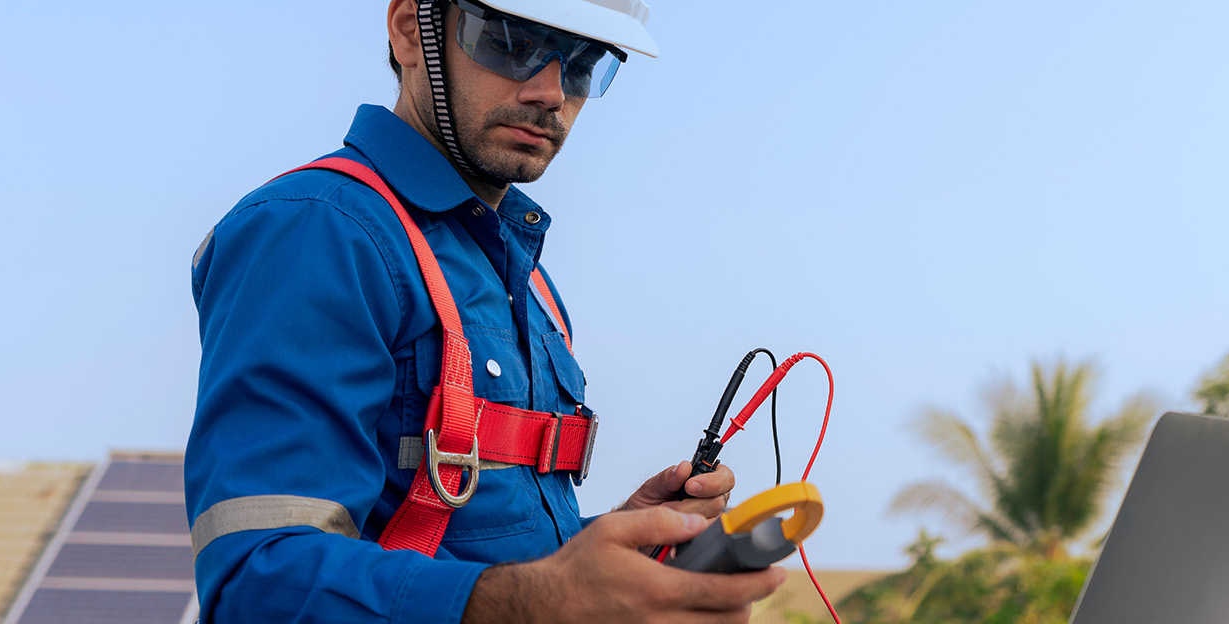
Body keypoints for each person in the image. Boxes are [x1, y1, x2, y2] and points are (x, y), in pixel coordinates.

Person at [184, 0, 786, 621]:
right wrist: (543, 601)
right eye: (509, 41)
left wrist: (618, 547)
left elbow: (472, 548)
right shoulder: (319, 230)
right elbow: (258, 581)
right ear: (407, 28)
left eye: (582, 65)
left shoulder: (525, 277)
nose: (551, 92)